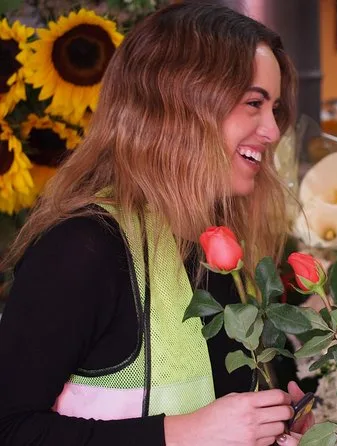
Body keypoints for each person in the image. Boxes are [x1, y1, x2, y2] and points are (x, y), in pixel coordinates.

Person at [0, 2, 312, 445]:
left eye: (274, 108)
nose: (273, 131)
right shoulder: (83, 248)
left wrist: (276, 425)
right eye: (253, 103)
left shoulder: (221, 243)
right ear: (177, 105)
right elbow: (10, 427)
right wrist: (182, 433)